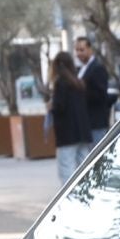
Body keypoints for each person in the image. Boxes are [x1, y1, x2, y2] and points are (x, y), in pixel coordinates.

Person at [48, 52, 90, 183]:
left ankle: (70, 200)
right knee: (84, 169)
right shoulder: (79, 83)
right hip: (82, 132)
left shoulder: (60, 83)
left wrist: (51, 107)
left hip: (67, 135)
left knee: (67, 171)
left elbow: (59, 108)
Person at [74, 35, 112, 148]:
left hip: (96, 123)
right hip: (86, 123)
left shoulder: (97, 68)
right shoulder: (81, 69)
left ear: (90, 49)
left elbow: (100, 95)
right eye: (76, 50)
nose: (79, 53)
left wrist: (80, 93)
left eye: (82, 50)